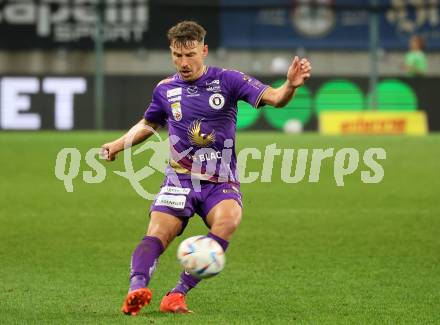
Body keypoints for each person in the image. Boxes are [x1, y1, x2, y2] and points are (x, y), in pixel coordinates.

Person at [100, 20, 311, 315]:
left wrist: (289, 85)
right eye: (177, 55)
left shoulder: (228, 80)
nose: (183, 63)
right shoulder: (165, 89)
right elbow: (150, 124)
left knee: (229, 220)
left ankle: (177, 294)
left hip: (219, 180)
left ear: (204, 50)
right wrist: (117, 145)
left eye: (190, 55)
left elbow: (275, 99)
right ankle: (136, 289)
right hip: (180, 179)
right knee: (158, 233)